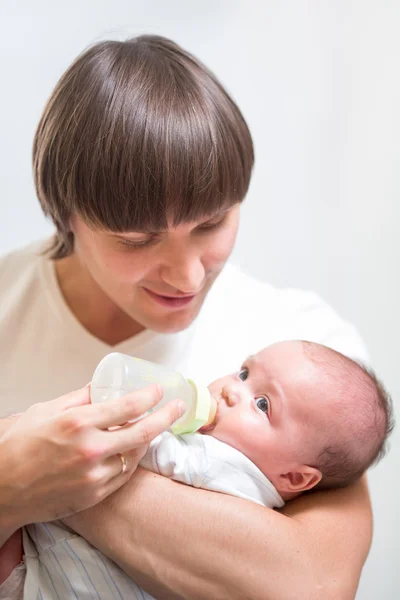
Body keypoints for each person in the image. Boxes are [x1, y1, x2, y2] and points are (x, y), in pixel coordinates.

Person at [0, 34, 374, 599]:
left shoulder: (308, 356)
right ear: (66, 215)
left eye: (210, 225)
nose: (188, 277)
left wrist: (26, 480)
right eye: (136, 240)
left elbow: (311, 586)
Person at [1, 340, 393, 600]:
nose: (229, 389)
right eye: (243, 373)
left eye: (261, 405)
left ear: (295, 478)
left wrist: (128, 424)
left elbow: (154, 453)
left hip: (57, 573)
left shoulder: (225, 467)